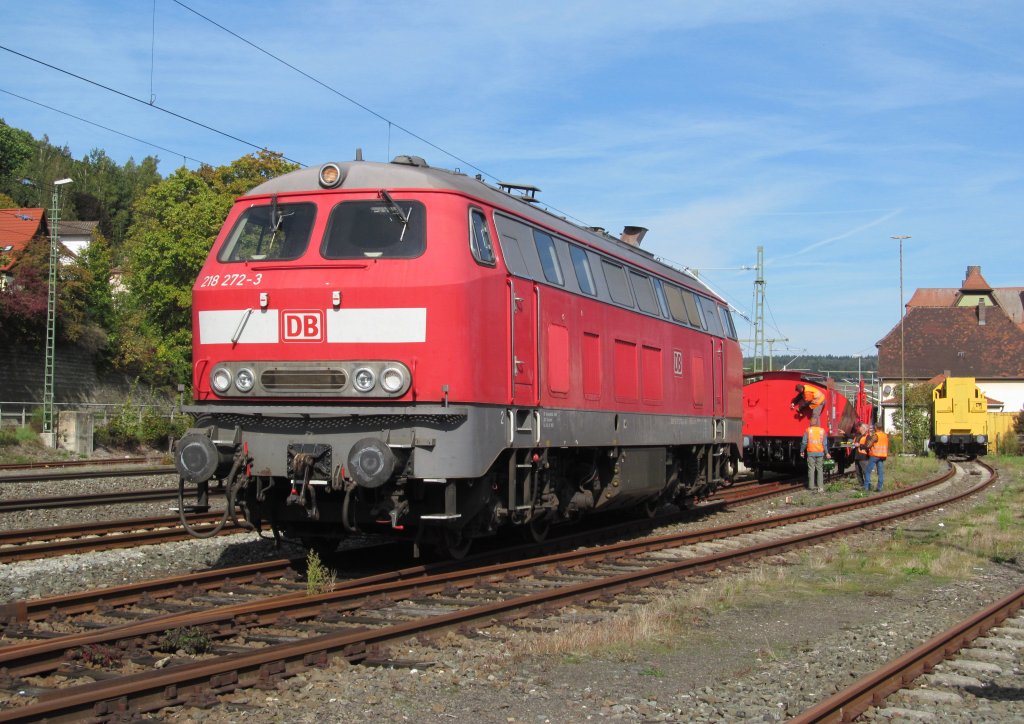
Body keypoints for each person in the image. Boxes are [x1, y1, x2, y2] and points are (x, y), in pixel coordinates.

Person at [800, 422, 831, 492]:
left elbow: (804, 442)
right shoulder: (822, 431)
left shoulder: (808, 430)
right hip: (820, 453)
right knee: (820, 469)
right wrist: (827, 453)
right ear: (818, 424)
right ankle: (820, 487)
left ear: (810, 423)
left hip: (811, 453)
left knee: (811, 469)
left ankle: (811, 486)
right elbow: (825, 444)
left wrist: (802, 451)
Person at [864, 424, 889, 492]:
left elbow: (868, 445)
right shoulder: (885, 435)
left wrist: (866, 445)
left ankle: (866, 488)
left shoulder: (876, 435)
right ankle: (879, 488)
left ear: (876, 428)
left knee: (868, 471)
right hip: (882, 455)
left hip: (875, 455)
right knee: (880, 472)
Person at [854, 423, 870, 489]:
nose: (859, 428)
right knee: (858, 472)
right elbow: (852, 436)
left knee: (865, 471)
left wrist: (859, 445)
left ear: (863, 428)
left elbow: (868, 446)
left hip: (864, 457)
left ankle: (867, 486)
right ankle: (861, 485)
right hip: (857, 456)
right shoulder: (858, 436)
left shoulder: (868, 437)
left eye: (860, 427)